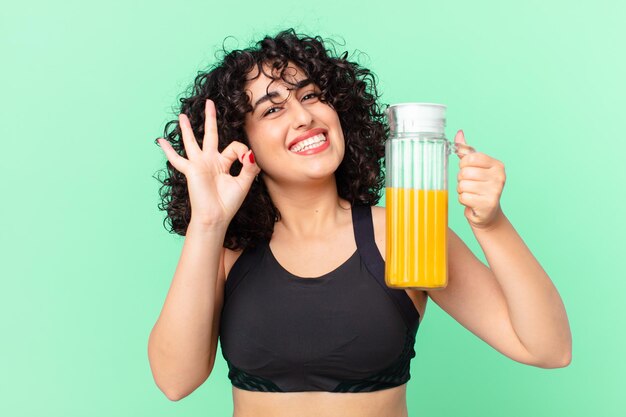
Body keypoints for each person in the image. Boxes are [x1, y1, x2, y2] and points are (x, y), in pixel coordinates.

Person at [148, 29, 572, 417]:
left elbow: (547, 348)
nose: (303, 117)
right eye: (273, 108)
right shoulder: (226, 253)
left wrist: (491, 224)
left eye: (311, 96)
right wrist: (208, 223)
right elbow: (175, 382)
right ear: (240, 141)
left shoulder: (407, 233)